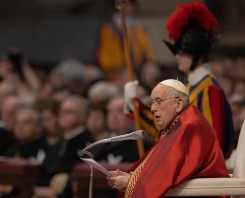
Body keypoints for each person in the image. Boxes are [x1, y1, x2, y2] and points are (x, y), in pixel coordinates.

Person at [124, 2, 235, 158]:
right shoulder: (189, 87)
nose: (177, 57)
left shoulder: (209, 89)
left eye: (183, 52)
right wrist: (134, 104)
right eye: (177, 52)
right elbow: (165, 129)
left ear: (198, 54)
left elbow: (211, 143)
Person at [107, 79, 230, 198]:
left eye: (159, 102)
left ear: (179, 104)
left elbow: (167, 176)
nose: (153, 108)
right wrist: (133, 176)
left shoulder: (190, 126)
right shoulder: (176, 125)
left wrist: (132, 182)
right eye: (152, 103)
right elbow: (162, 170)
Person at [96, 0, 155, 82]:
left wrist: (149, 64)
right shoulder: (109, 30)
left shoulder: (139, 29)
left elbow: (147, 52)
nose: (129, 6)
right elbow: (110, 59)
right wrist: (121, 70)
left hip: (139, 68)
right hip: (119, 71)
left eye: (131, 3)